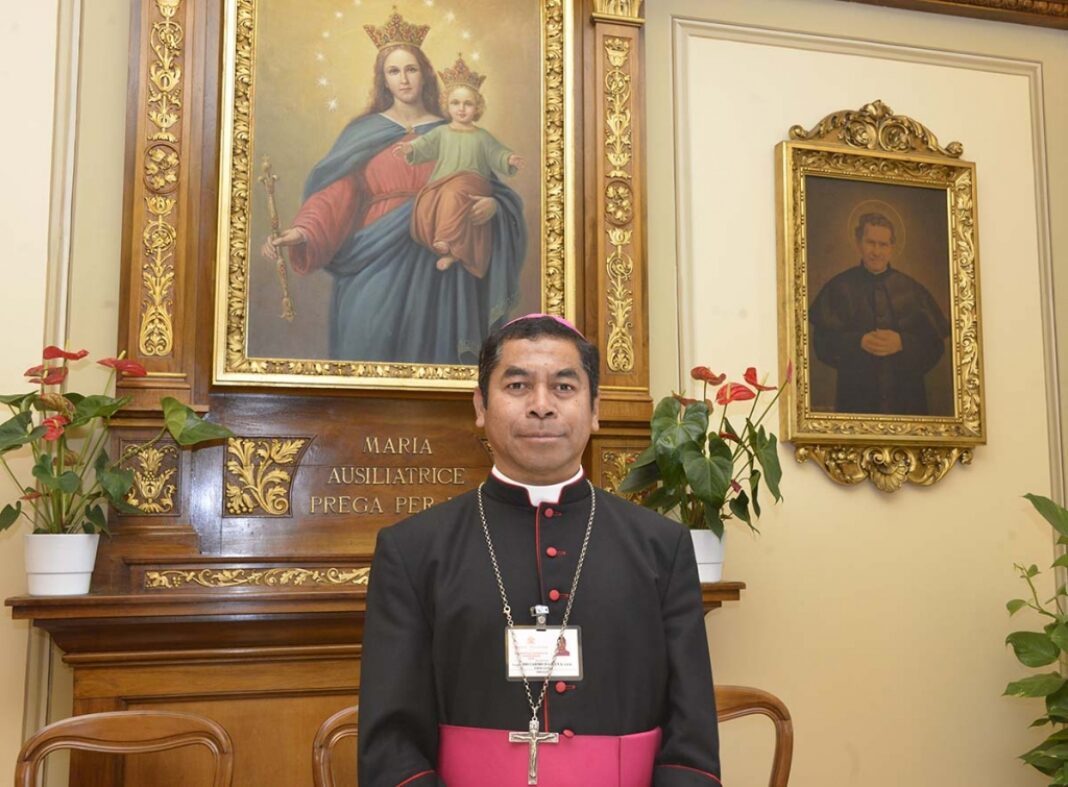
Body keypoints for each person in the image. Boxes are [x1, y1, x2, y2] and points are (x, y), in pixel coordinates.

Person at [358, 314, 721, 787]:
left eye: (564, 387)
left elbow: (690, 739)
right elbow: (391, 745)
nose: (542, 406)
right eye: (518, 386)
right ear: (481, 406)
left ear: (594, 409)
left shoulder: (661, 547)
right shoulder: (412, 550)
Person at [260, 11, 526, 365]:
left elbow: (487, 186)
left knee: (433, 352)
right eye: (394, 71)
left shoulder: (456, 132)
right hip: (375, 254)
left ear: (425, 74)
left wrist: (493, 208)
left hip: (436, 256)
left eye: (411, 69)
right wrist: (303, 230)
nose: (403, 79)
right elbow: (338, 193)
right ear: (383, 80)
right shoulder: (364, 132)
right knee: (367, 344)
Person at [393, 54, 524, 277]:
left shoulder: (482, 136)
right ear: (447, 105)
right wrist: (410, 149)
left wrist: (508, 159)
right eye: (455, 103)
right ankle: (453, 253)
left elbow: (497, 154)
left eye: (468, 104)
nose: (461, 109)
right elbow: (424, 145)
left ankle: (446, 239)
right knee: (428, 202)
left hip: (473, 183)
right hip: (442, 184)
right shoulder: (442, 133)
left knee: (454, 193)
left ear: (477, 108)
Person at [808, 212, 951, 415]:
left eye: (883, 244)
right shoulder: (840, 286)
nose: (876, 251)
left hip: (907, 403)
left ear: (892, 247)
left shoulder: (912, 289)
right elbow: (822, 344)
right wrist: (858, 341)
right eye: (870, 243)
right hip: (856, 400)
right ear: (859, 243)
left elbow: (935, 347)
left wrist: (903, 343)